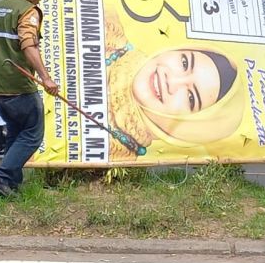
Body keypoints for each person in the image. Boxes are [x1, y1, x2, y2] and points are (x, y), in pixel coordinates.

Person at [104, 13, 245, 160]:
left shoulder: (113, 158)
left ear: (186, 128)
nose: (172, 81)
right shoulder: (107, 24)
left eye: (191, 97)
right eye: (185, 63)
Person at [0, 0, 58, 197]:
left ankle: (10, 186)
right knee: (32, 133)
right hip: (16, 83)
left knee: (15, 132)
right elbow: (28, 44)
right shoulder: (28, 11)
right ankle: (0, 175)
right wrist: (45, 77)